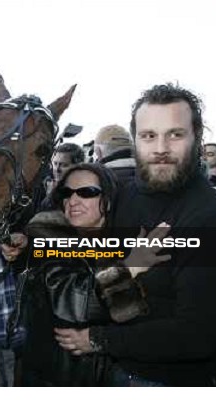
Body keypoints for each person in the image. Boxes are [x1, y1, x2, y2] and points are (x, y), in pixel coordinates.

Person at [59, 83, 216, 386]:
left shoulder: (214, 220)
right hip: (114, 371)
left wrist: (97, 339)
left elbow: (196, 336)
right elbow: (93, 261)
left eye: (175, 134)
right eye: (149, 136)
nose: (161, 148)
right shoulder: (123, 195)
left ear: (197, 138)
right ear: (135, 140)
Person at [22, 163, 168, 386]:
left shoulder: (120, 238)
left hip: (108, 372)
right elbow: (72, 301)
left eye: (87, 193)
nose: (73, 201)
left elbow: (126, 312)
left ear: (108, 200)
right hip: (55, 373)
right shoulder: (48, 231)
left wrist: (95, 338)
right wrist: (129, 268)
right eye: (66, 193)